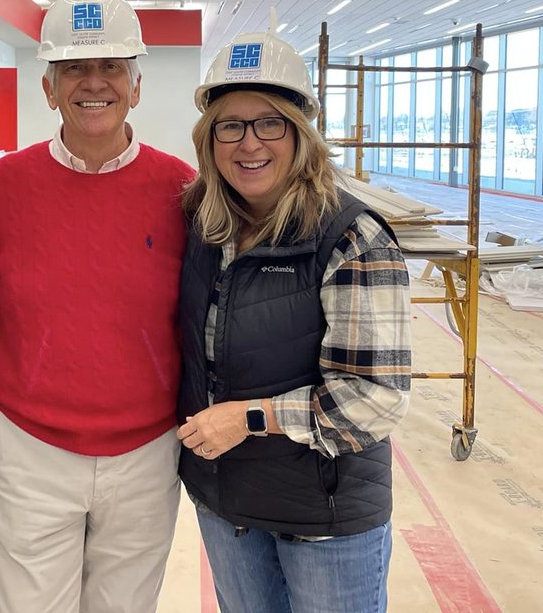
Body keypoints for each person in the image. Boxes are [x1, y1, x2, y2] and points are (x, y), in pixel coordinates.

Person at [0, 0, 194, 613]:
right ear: (49, 86)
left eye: (111, 66)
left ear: (136, 84)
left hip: (147, 449)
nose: (95, 83)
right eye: (74, 69)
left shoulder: (182, 189)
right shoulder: (3, 185)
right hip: (31, 448)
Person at [175, 30, 412, 613]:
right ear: (210, 139)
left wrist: (253, 417)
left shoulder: (352, 237)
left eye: (269, 123)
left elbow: (376, 398)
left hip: (323, 516)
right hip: (225, 499)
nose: (249, 143)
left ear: (301, 133)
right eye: (230, 125)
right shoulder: (203, 226)